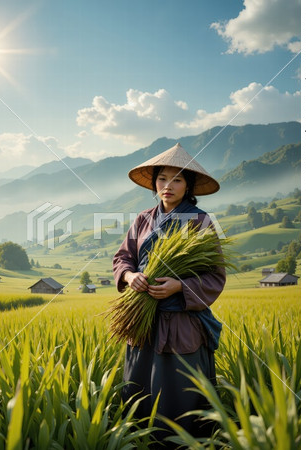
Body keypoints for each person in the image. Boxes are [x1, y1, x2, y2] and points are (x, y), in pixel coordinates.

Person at [112, 142, 226, 445]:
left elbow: (215, 275)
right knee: (139, 392)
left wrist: (180, 286)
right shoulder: (142, 219)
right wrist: (130, 275)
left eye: (177, 179)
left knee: (179, 397)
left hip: (181, 323)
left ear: (188, 186)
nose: (168, 186)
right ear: (154, 183)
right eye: (162, 179)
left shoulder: (201, 222)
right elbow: (123, 257)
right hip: (142, 322)